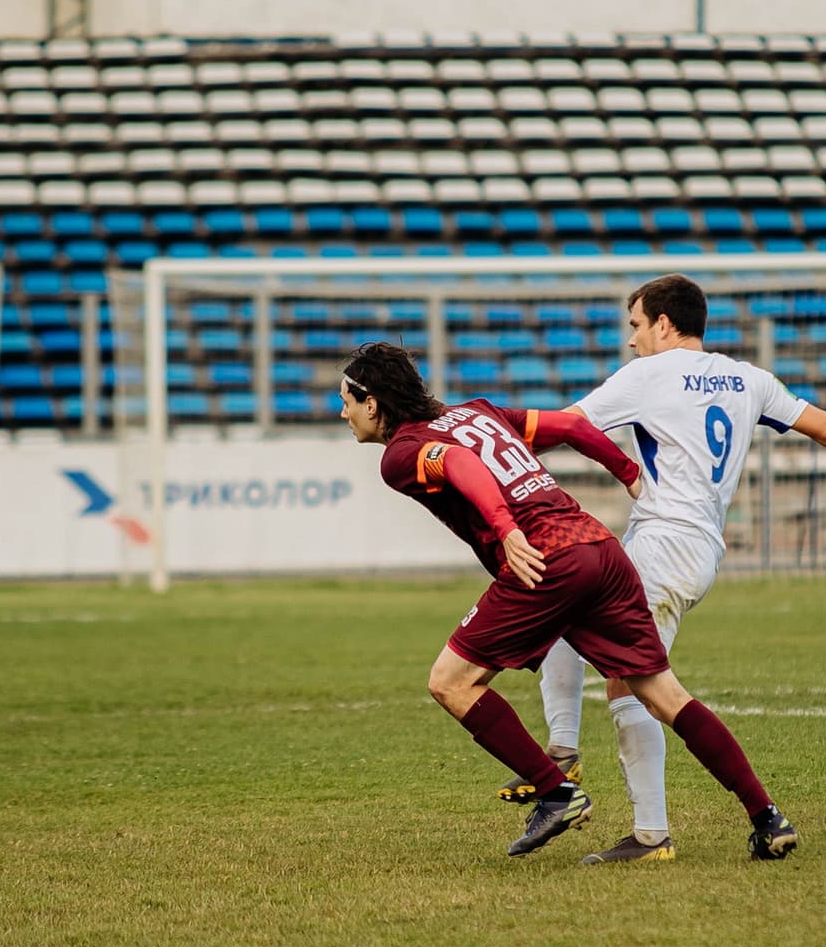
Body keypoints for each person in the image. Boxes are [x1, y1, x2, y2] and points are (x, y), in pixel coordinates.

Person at [524, 274, 826, 864]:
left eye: (635, 325)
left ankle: (604, 791)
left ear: (662, 324)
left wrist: (480, 444)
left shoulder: (646, 375)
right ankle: (589, 778)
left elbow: (562, 426)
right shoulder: (747, 378)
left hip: (662, 545)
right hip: (700, 547)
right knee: (586, 631)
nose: (631, 340)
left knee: (633, 674)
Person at [337, 339, 800, 863]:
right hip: (600, 547)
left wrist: (506, 528)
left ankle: (556, 791)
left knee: (450, 681)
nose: (343, 412)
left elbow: (461, 462)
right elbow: (574, 427)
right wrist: (628, 473)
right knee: (663, 695)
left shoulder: (401, 454)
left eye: (347, 401)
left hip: (546, 559)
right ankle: (767, 817)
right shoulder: (481, 412)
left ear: (372, 403)